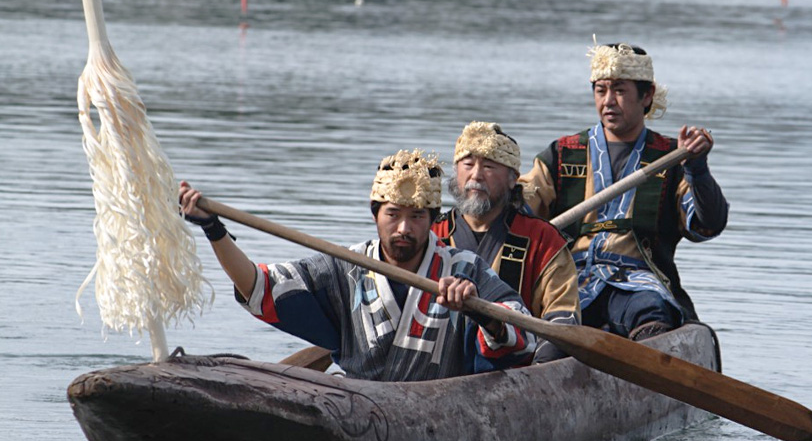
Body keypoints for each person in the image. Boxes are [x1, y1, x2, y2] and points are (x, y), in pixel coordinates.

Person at [179, 149, 536, 381]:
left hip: (438, 413)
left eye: (416, 217)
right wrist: (214, 229)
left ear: (433, 219)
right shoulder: (345, 266)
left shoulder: (464, 269)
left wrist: (480, 311)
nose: (403, 229)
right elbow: (258, 287)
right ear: (375, 215)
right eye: (392, 215)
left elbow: (522, 336)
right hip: (357, 411)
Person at [519, 42, 729, 340]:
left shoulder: (672, 157)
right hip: (570, 281)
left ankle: (645, 367)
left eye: (619, 90)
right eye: (600, 90)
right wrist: (493, 185)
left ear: (647, 96)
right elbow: (521, 202)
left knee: (651, 313)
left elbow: (708, 225)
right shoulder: (563, 154)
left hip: (640, 286)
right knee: (547, 317)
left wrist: (698, 168)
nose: (608, 101)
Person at [432, 121, 580, 363]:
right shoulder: (432, 233)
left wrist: (540, 373)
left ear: (513, 179)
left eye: (489, 166)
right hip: (437, 366)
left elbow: (561, 318)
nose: (476, 175)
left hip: (515, 372)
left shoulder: (543, 241)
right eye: (467, 164)